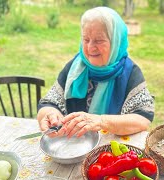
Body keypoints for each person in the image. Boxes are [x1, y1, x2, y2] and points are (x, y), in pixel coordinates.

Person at [37, 7, 154, 138]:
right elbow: (49, 103)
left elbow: (143, 118)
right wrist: (50, 115)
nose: (90, 47)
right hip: (76, 146)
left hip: (112, 150)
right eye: (86, 39)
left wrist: (101, 121)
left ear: (116, 41)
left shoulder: (129, 72)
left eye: (99, 40)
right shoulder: (75, 67)